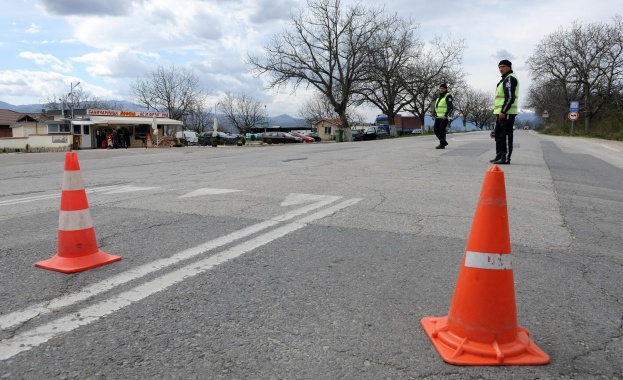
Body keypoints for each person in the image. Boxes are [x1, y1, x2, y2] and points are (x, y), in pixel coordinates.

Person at [491, 60, 519, 164]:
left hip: (506, 113)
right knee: (498, 136)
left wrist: (503, 111)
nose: (501, 69)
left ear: (509, 67)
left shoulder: (510, 79)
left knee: (505, 136)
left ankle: (505, 158)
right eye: (499, 67)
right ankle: (499, 155)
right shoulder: (504, 80)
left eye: (503, 66)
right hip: (500, 113)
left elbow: (510, 97)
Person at [432, 84, 453, 149]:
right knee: (436, 130)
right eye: (440, 88)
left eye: (442, 88)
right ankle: (444, 142)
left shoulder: (448, 96)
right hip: (438, 117)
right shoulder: (438, 96)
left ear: (445, 89)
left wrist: (446, 115)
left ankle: (442, 144)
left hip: (444, 118)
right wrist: (433, 114)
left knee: (442, 131)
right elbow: (436, 107)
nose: (441, 89)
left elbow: (451, 107)